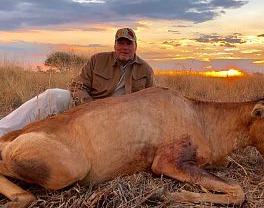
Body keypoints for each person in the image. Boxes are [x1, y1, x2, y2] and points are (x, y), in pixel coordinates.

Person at [0, 28, 155, 136]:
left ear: (135, 46)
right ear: (115, 45)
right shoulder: (98, 60)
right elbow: (77, 85)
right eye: (121, 43)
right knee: (52, 95)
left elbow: (151, 101)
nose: (124, 48)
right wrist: (88, 108)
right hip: (87, 106)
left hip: (121, 118)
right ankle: (3, 131)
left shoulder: (145, 69)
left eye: (129, 43)